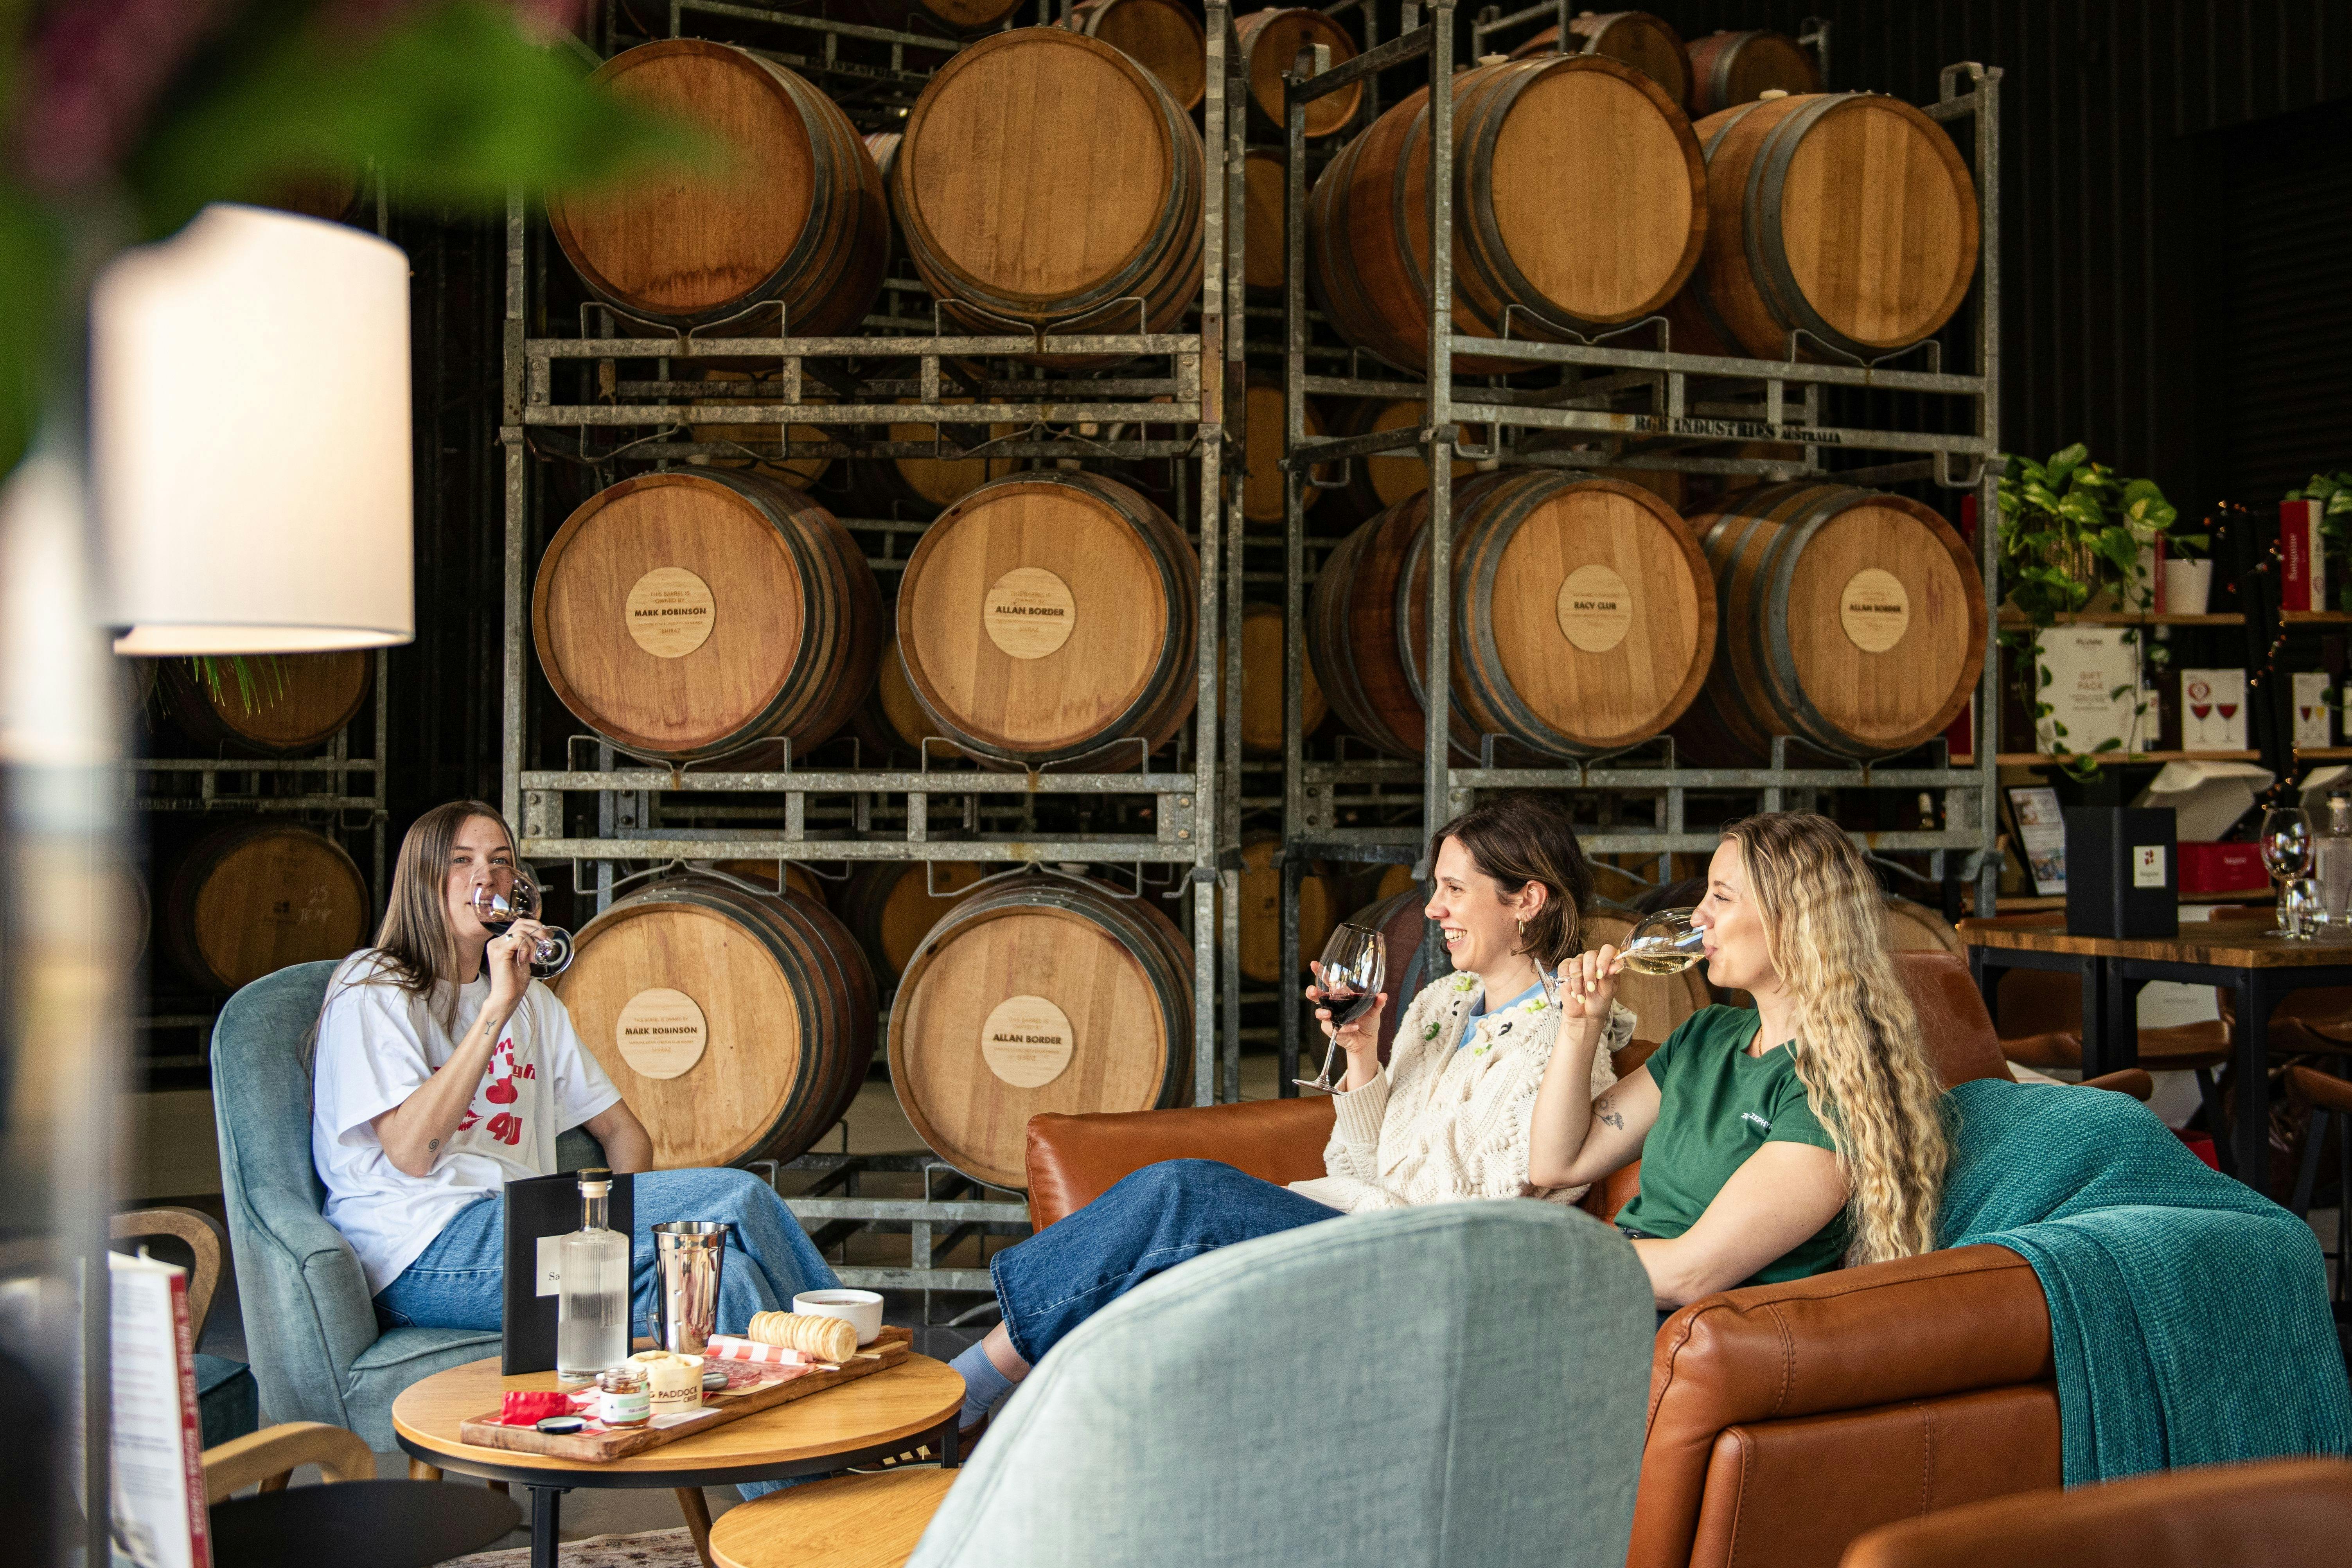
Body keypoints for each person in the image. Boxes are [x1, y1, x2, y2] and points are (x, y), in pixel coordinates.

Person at [944, 792, 1635, 1436]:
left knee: (1182, 1192)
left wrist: (1355, 1210)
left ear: (1527, 900)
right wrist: (1361, 1055)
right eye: (1435, 888)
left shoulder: (1563, 1042)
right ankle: (1010, 1412)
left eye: (1454, 889)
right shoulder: (1443, 1004)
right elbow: (1359, 1165)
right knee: (1163, 1243)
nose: (1431, 909)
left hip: (1420, 1265)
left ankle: (965, 1390)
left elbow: (1490, 1214)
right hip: (1356, 1224)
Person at [309, 800, 839, 1344]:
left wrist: (618, 1235)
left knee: (723, 1282)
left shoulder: (535, 1003)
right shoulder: (375, 986)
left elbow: (623, 1131)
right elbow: (411, 1152)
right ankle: (859, 1351)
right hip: (420, 1250)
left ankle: (797, 1420)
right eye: (461, 861)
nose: (484, 877)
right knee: (737, 1198)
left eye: (499, 860)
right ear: (422, 879)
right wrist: (497, 1007)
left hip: (526, 1228)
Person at [1527, 812, 1951, 1313]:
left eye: (1721, 897)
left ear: (1794, 917)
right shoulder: (1706, 1035)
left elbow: (1693, 1273)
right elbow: (1557, 1163)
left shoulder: (1833, 1086)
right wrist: (1581, 1024)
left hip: (1694, 1324)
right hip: (1616, 1284)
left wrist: (1545, 1261)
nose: (1698, 916)